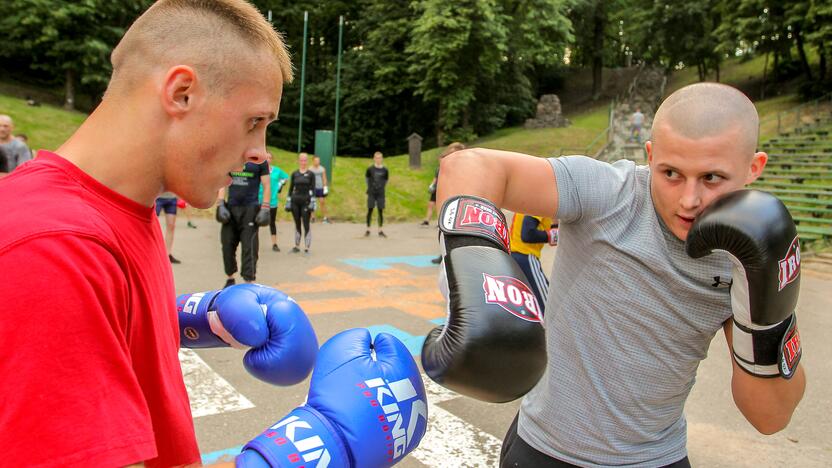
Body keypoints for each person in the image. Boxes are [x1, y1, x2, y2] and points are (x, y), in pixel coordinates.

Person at [0, 2, 429, 466]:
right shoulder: (53, 248)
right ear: (182, 93)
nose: (261, 153)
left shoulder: (112, 214)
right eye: (254, 122)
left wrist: (193, 317)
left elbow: (88, 326)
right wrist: (317, 449)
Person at [423, 83, 805, 467]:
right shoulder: (609, 192)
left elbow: (770, 417)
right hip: (543, 451)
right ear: (650, 155)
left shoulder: (748, 253)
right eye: (670, 173)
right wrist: (474, 274)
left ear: (754, 167)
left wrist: (767, 315)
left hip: (656, 459)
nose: (689, 200)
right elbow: (468, 166)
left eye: (711, 178)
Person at [216, 157, 271, 288]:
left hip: (250, 209)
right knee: (227, 244)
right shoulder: (233, 154)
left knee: (249, 247)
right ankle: (230, 277)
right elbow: (223, 182)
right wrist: (220, 204)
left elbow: (267, 184)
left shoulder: (260, 160)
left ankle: (249, 281)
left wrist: (265, 207)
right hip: (231, 207)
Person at [508, 213, 557, 313]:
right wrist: (552, 235)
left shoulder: (529, 201)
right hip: (525, 256)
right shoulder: (540, 200)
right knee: (550, 306)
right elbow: (527, 234)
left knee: (525, 307)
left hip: (513, 256)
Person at [429, 142, 466, 264]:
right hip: (449, 200)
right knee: (445, 229)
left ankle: (455, 255)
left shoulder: (464, 169)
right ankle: (444, 255)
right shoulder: (447, 168)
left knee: (458, 231)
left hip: (461, 202)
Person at [423, 142, 465, 226]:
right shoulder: (439, 168)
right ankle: (429, 220)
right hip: (439, 187)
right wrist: (432, 185)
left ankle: (445, 221)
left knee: (447, 205)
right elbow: (436, 178)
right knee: (433, 204)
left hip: (450, 188)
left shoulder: (458, 166)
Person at [286, 152, 316, 253]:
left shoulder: (311, 174)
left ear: (307, 161)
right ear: (299, 161)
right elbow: (290, 189)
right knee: (297, 223)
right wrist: (288, 201)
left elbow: (313, 189)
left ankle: (307, 247)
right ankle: (297, 246)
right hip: (295, 201)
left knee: (306, 223)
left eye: (305, 160)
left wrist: (313, 202)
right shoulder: (294, 174)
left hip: (306, 201)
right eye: (301, 160)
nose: (303, 162)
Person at [259, 158, 290, 251]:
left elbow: (286, 177)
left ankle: (274, 244)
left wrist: (281, 184)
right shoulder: (258, 170)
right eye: (266, 158)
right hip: (259, 199)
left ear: (271, 159)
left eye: (269, 158)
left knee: (272, 222)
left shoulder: (277, 170)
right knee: (255, 222)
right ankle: (253, 242)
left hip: (272, 201)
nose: (267, 160)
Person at [365, 151, 389, 237]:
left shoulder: (385, 170)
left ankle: (380, 230)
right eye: (377, 158)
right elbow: (367, 179)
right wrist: (369, 188)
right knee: (370, 210)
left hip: (380, 193)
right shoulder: (370, 169)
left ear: (382, 159)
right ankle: (368, 230)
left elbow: (386, 181)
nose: (378, 159)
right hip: (371, 192)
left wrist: (381, 188)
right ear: (374, 158)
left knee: (380, 211)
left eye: (380, 158)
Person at [155, 191, 182, 264]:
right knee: (151, 226)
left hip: (172, 198)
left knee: (171, 226)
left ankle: (167, 255)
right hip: (157, 197)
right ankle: (152, 253)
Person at [309, 155, 329, 223]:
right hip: (312, 188)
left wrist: (325, 187)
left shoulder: (322, 168)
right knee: (312, 203)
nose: (317, 162)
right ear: (313, 161)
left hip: (320, 188)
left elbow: (324, 178)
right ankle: (312, 217)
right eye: (316, 160)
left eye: (318, 160)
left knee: (322, 202)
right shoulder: (310, 169)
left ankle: (325, 217)